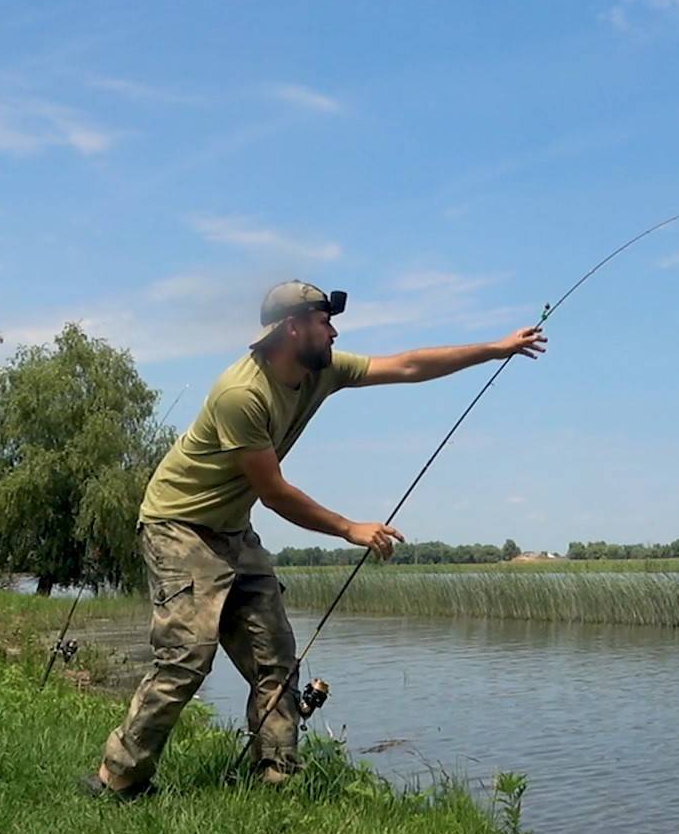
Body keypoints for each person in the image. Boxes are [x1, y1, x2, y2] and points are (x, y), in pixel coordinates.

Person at [84, 280, 547, 798]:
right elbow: (274, 492)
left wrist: (498, 348)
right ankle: (118, 778)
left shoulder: (320, 370)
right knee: (187, 658)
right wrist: (350, 528)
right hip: (179, 525)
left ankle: (278, 779)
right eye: (325, 321)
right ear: (293, 327)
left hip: (233, 528)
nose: (334, 330)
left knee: (275, 658)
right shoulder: (243, 394)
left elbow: (410, 365)